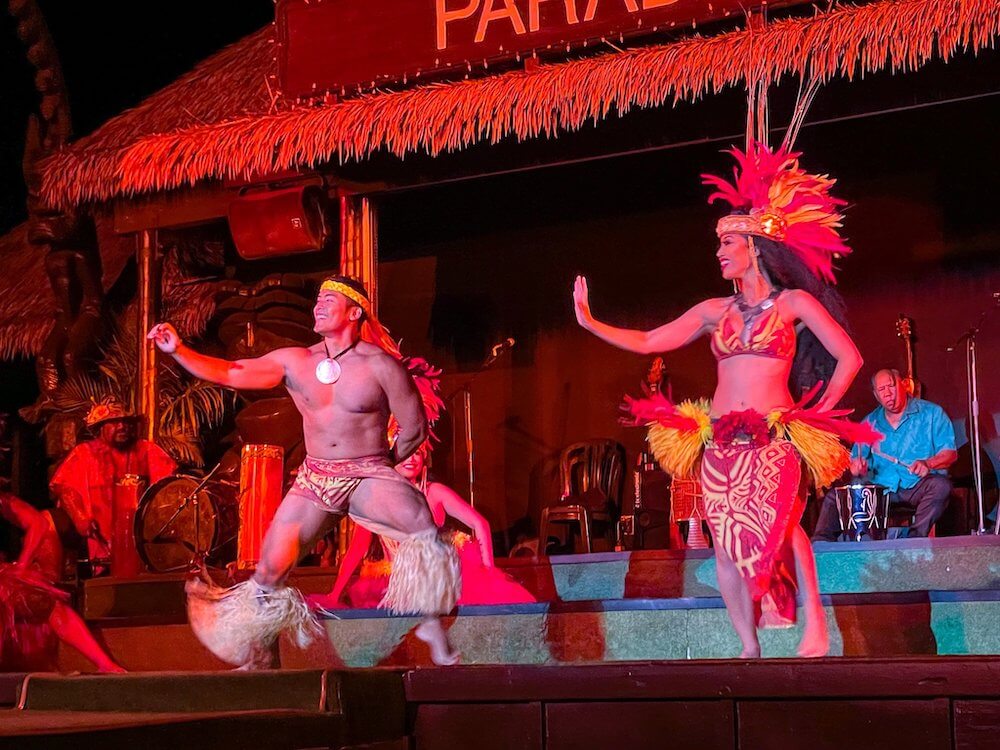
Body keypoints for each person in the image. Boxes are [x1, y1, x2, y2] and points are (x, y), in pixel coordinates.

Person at [573, 143, 876, 658]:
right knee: (724, 544)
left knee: (783, 526)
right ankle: (748, 644)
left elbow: (849, 358)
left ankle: (815, 627)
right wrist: (590, 320)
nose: (719, 252)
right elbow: (651, 341)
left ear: (755, 247)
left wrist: (819, 411)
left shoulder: (793, 304)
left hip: (773, 436)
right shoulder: (714, 310)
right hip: (718, 441)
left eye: (728, 243)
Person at [147, 276, 461, 668]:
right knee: (269, 569)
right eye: (317, 298)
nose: (318, 305)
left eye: (328, 298)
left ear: (354, 311)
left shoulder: (381, 366)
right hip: (315, 480)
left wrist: (382, 465)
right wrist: (178, 351)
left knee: (420, 524)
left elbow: (414, 429)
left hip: (368, 472)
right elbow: (232, 372)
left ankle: (431, 624)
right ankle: (263, 657)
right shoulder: (295, 360)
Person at [312, 441, 535, 609]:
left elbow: (479, 523)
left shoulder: (434, 492)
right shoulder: (376, 501)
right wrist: (335, 593)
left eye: (417, 452)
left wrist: (489, 573)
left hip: (439, 579)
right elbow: (356, 551)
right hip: (396, 584)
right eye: (405, 453)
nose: (412, 458)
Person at [813, 368, 957, 541]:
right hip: (879, 491)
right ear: (876, 395)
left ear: (903, 385)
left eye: (891, 386)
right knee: (835, 497)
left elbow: (950, 454)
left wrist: (928, 464)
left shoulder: (932, 413)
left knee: (941, 486)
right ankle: (821, 546)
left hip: (917, 486)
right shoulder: (869, 422)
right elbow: (856, 464)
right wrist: (858, 467)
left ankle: (914, 541)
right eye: (882, 390)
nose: (888, 393)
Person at [0, 490, 125, 672]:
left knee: (47, 604)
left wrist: (22, 565)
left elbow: (39, 524)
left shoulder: (3, 501)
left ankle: (105, 664)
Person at [49, 399, 176, 568]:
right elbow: (65, 489)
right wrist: (79, 517)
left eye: (126, 422)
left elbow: (169, 485)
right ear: (101, 427)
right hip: (96, 535)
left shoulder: (146, 450)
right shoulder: (84, 453)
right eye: (115, 422)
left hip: (141, 534)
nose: (122, 426)